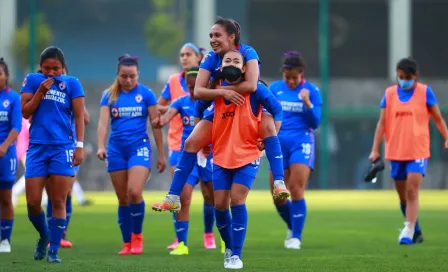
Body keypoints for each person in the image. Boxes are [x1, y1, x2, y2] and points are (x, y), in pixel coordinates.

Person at [152, 17, 289, 212]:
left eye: (217, 35)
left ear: (232, 36)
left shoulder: (248, 52)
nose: (212, 39)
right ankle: (173, 197)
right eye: (210, 36)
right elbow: (198, 92)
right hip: (222, 110)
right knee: (191, 143)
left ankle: (278, 183)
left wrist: (221, 90)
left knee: (268, 126)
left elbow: (251, 85)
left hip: (249, 108)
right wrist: (222, 93)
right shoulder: (210, 58)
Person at [203, 50, 282, 269]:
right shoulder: (216, 90)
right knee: (220, 205)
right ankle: (229, 246)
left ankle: (236, 254)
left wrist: (268, 137)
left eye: (236, 60)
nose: (231, 63)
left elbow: (277, 110)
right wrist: (203, 143)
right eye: (227, 60)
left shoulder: (256, 89)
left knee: (237, 200)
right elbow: (200, 111)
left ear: (246, 67)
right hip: (221, 155)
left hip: (247, 155)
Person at [369, 57, 448, 245]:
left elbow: (438, 118)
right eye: (400, 76)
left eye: (407, 77)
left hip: (418, 150)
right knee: (403, 195)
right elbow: (381, 124)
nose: (403, 80)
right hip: (395, 151)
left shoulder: (425, 92)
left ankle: (408, 230)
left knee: (412, 190)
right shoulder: (389, 94)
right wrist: (375, 150)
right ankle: (416, 229)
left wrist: (447, 136)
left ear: (415, 76)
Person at [20, 46, 85, 263]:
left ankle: (54, 250)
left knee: (58, 200)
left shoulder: (72, 84)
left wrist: (79, 145)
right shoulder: (32, 80)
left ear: (63, 67)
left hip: (62, 148)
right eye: (47, 68)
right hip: (37, 147)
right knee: (32, 202)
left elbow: (79, 117)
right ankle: (44, 235)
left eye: (56, 68)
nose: (51, 73)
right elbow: (26, 112)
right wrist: (40, 92)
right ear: (40, 67)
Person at [97, 54, 166, 256]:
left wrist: (161, 154)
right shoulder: (108, 95)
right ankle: (126, 242)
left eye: (132, 76)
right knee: (122, 199)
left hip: (139, 148)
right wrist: (101, 146)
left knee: (134, 192)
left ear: (138, 75)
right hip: (116, 149)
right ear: (117, 75)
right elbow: (102, 123)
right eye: (124, 76)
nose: (128, 81)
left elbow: (156, 126)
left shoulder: (146, 94)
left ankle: (137, 237)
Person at [157, 67, 216, 255]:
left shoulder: (213, 103)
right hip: (188, 155)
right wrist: (161, 121)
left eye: (195, 87)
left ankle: (209, 235)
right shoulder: (181, 102)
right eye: (189, 87)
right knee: (184, 197)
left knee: (211, 196)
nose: (192, 91)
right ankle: (182, 244)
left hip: (208, 155)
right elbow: (167, 115)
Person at [268, 52, 322, 250]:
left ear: (302, 74)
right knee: (277, 194)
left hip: (301, 142)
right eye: (287, 77)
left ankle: (296, 237)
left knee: (296, 187)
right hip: (278, 143)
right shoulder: (274, 89)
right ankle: (294, 225)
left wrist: (307, 103)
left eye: (294, 78)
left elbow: (316, 121)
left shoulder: (312, 90)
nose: (291, 81)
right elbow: (266, 115)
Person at [45, 66, 92, 248]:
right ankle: (52, 233)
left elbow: (85, 118)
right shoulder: (45, 90)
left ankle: (61, 233)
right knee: (52, 191)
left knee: (67, 190)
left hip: (69, 148)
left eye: (60, 70)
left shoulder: (72, 89)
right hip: (49, 146)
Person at [0, 58, 22, 253]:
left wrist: (4, 146)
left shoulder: (13, 98)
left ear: (6, 76)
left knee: (6, 198)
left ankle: (5, 240)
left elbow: (17, 127)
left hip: (6, 155)